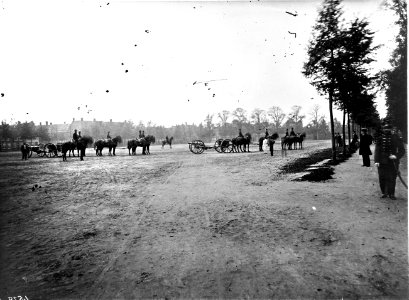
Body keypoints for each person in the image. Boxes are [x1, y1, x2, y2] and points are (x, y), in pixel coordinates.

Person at [374, 122, 405, 200]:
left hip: (392, 162)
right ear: (383, 129)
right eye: (385, 129)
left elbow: (402, 150)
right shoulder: (380, 138)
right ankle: (384, 193)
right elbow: (377, 150)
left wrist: (396, 156)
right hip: (381, 161)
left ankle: (391, 194)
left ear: (391, 129)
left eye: (388, 129)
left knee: (392, 178)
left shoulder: (396, 137)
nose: (386, 130)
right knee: (382, 177)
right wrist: (376, 161)